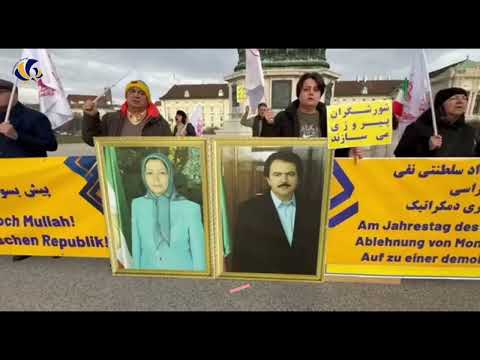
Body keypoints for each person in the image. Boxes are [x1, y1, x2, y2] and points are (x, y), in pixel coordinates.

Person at [231, 151, 321, 275]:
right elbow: (240, 258)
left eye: (290, 174)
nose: (284, 179)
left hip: (306, 285)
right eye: (277, 174)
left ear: (299, 178)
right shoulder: (248, 210)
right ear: (268, 179)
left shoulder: (315, 209)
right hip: (264, 286)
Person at [0, 79, 58, 262]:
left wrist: (17, 136)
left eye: (2, 92)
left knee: (38, 211)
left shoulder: (35, 117)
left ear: (14, 94)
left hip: (31, 174)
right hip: (5, 174)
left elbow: (51, 144)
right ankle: (20, 242)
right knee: (12, 210)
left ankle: (54, 243)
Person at [131, 153, 206, 271]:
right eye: (149, 173)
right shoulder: (137, 205)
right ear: (143, 176)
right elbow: (136, 247)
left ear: (170, 175)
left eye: (162, 173)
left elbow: (199, 256)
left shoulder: (191, 209)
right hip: (147, 276)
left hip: (183, 278)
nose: (155, 179)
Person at [267, 72, 360, 158]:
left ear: (320, 94)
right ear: (299, 93)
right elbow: (269, 148)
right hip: (292, 170)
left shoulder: (331, 119)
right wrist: (268, 125)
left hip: (322, 170)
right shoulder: (283, 118)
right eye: (306, 89)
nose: (311, 93)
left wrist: (350, 149)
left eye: (316, 90)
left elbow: (339, 150)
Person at [395, 87, 480, 157]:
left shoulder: (470, 131)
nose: (460, 101)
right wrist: (426, 147)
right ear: (441, 104)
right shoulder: (417, 128)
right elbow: (400, 155)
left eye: (464, 98)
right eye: (453, 98)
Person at [82, 80, 171, 145]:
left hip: (148, 170)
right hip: (116, 170)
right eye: (132, 91)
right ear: (126, 96)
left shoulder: (161, 124)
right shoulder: (110, 119)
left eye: (141, 93)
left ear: (148, 99)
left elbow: (169, 151)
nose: (136, 95)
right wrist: (91, 117)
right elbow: (91, 140)